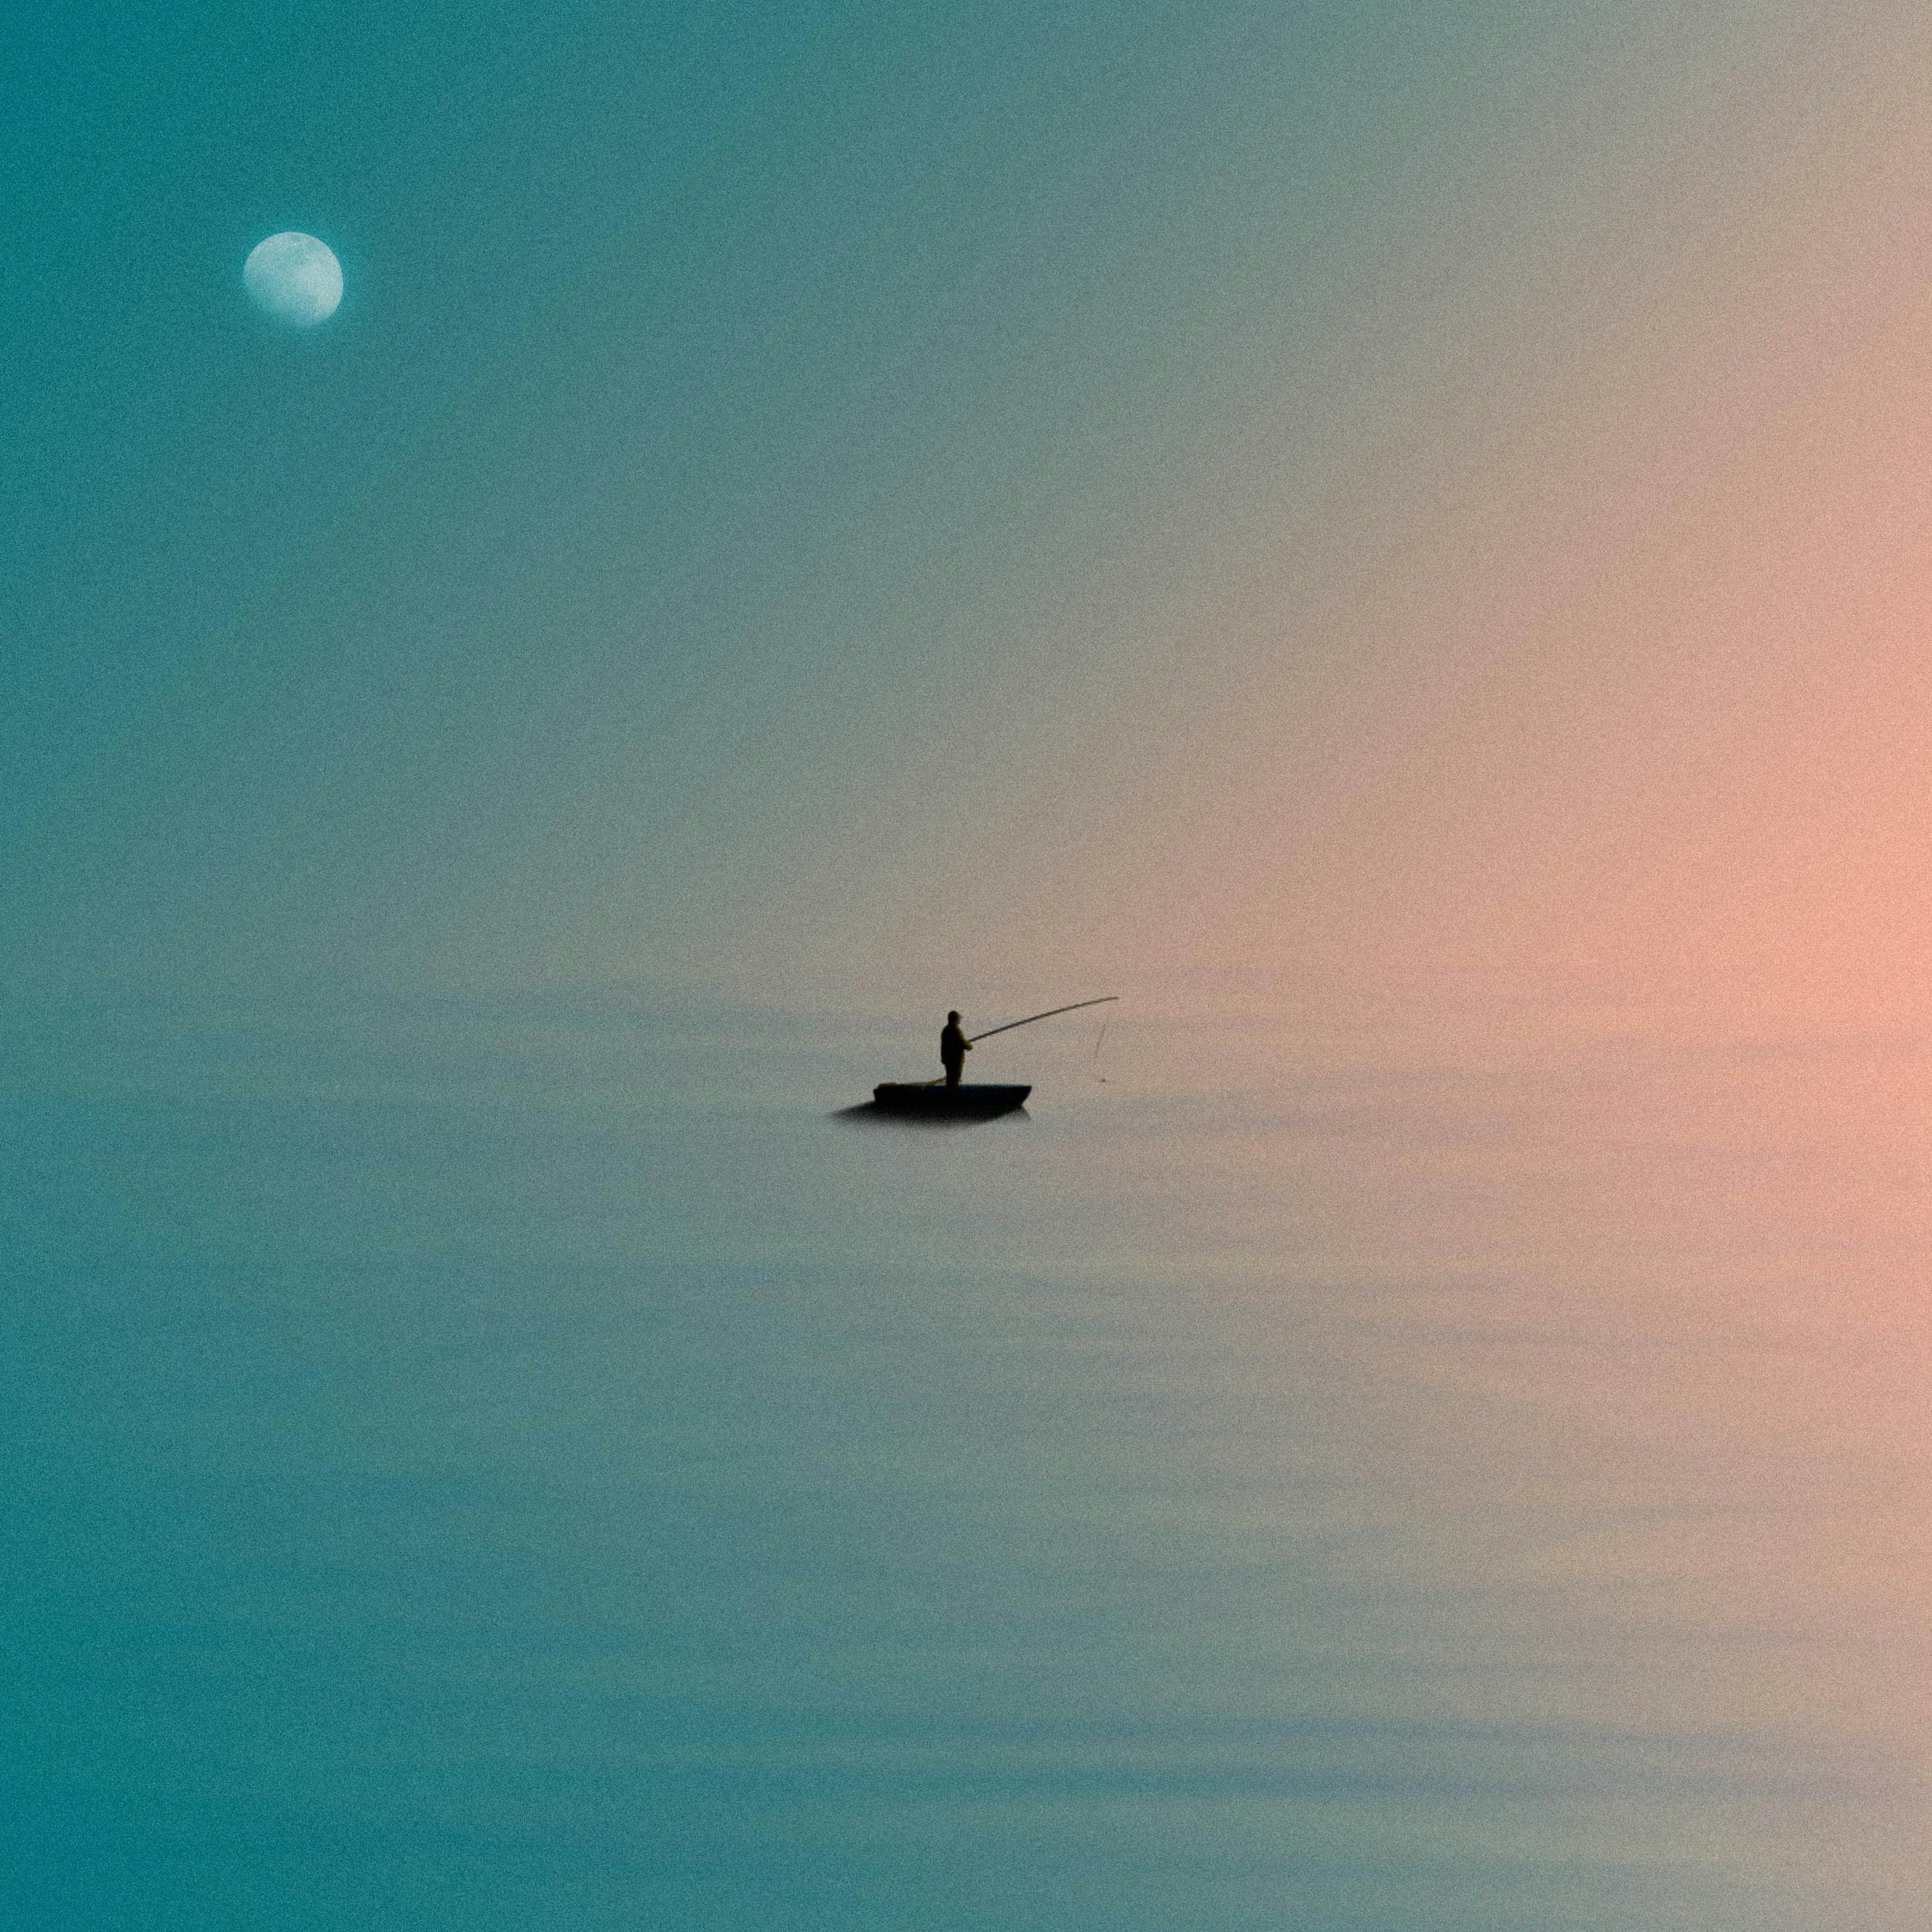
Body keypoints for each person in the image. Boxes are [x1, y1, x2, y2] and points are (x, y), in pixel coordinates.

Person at [940, 1011, 971, 1088]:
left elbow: (944, 1045)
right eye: (959, 1018)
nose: (960, 1020)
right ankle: (953, 1096)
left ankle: (949, 1095)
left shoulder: (945, 1030)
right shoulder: (956, 1030)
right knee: (955, 1079)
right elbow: (962, 1042)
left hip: (948, 1059)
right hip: (956, 1060)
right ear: (956, 1019)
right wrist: (969, 1046)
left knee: (950, 1078)